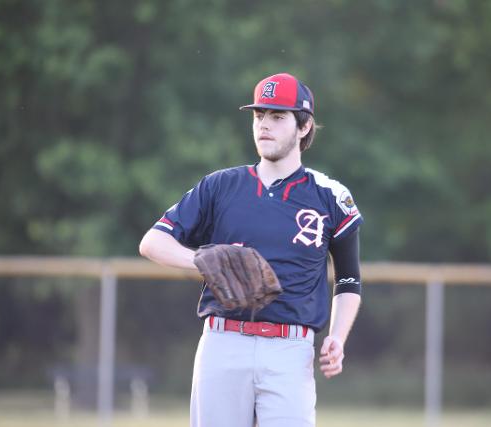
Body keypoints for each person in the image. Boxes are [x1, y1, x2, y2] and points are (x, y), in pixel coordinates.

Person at [139, 72, 363, 427]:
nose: (264, 125)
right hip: (223, 342)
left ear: (303, 128)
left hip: (291, 350)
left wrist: (337, 337)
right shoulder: (221, 186)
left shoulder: (330, 196)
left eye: (277, 116)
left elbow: (349, 282)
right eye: (259, 115)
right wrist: (199, 260)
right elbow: (152, 242)